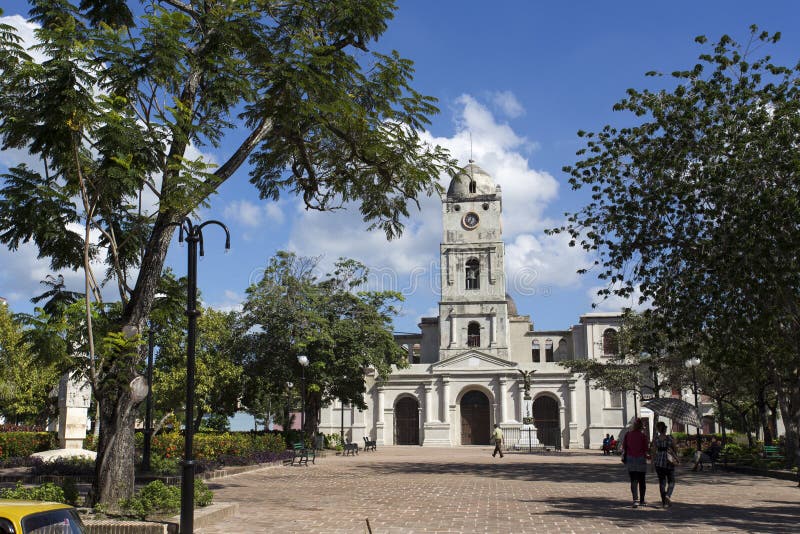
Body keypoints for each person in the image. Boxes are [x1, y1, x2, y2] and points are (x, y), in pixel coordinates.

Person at [622, 418, 649, 507]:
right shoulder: (643, 436)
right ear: (641, 426)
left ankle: (635, 500)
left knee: (633, 480)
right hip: (641, 458)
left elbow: (624, 446)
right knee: (642, 480)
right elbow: (646, 448)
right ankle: (642, 500)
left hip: (631, 458)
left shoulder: (628, 435)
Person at [651, 421, 677, 508]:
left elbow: (653, 452)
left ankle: (664, 503)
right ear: (665, 429)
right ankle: (668, 495)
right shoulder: (669, 438)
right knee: (672, 481)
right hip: (669, 461)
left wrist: (652, 464)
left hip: (659, 462)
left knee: (662, 482)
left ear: (658, 429)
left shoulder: (656, 439)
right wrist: (674, 442)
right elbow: (675, 449)